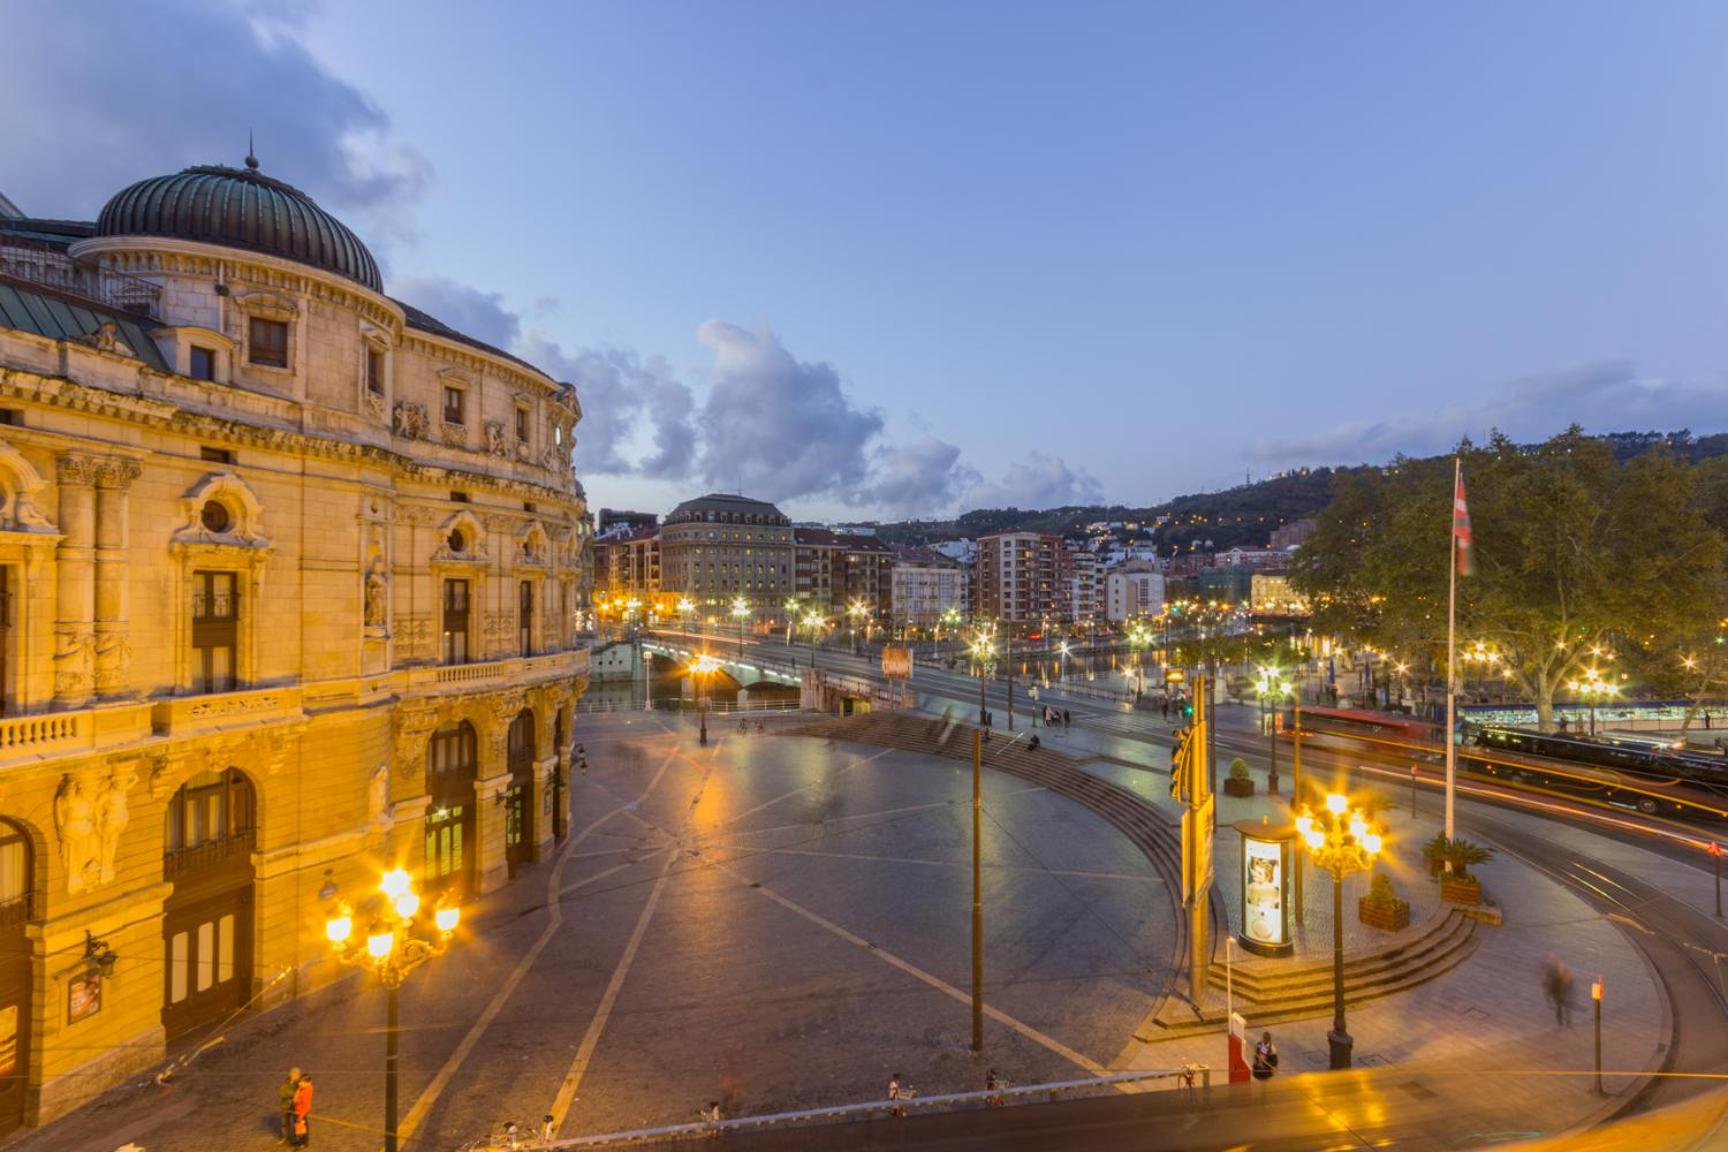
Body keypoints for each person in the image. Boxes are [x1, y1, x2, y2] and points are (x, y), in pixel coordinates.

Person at [1543, 955, 1576, 1026]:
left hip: (1560, 992)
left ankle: (1564, 1021)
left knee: (1561, 1007)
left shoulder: (1559, 973)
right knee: (1561, 1007)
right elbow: (1550, 985)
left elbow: (1568, 981)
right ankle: (1563, 1021)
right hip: (1559, 993)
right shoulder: (1555, 974)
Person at [277, 1067, 302, 1144]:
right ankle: (284, 1137)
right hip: (285, 1106)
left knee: (296, 1123)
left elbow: (299, 1094)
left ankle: (295, 1138)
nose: (294, 1076)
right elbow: (280, 1093)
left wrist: (287, 1093)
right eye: (293, 1074)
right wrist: (292, 1094)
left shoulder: (299, 1084)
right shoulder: (285, 1083)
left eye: (296, 1075)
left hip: (295, 1107)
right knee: (284, 1123)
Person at [291, 1072, 314, 1147]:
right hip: (298, 1110)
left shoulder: (306, 1092)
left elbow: (305, 1105)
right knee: (300, 1128)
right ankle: (301, 1142)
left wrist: (300, 1116)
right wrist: (299, 1088)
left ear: (307, 1082)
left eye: (301, 1082)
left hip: (301, 1112)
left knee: (303, 1129)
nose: (299, 1084)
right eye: (300, 1082)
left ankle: (304, 1143)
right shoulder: (305, 1088)